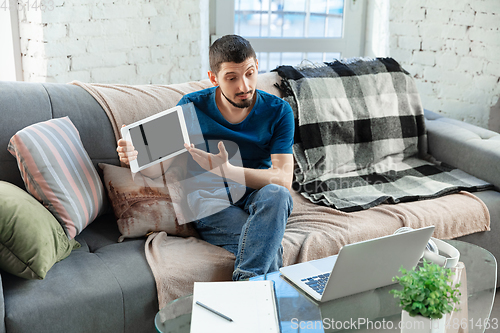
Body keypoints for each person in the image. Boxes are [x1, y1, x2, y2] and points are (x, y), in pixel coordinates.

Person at [116, 34, 294, 281]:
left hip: (255, 192)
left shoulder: (279, 111)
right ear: (214, 78)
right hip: (208, 199)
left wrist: (229, 171)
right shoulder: (190, 107)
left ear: (256, 65)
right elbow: (159, 168)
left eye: (250, 73)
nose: (244, 86)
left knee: (278, 195)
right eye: (231, 78)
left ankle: (246, 288)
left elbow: (283, 180)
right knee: (266, 244)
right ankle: (250, 287)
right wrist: (133, 157)